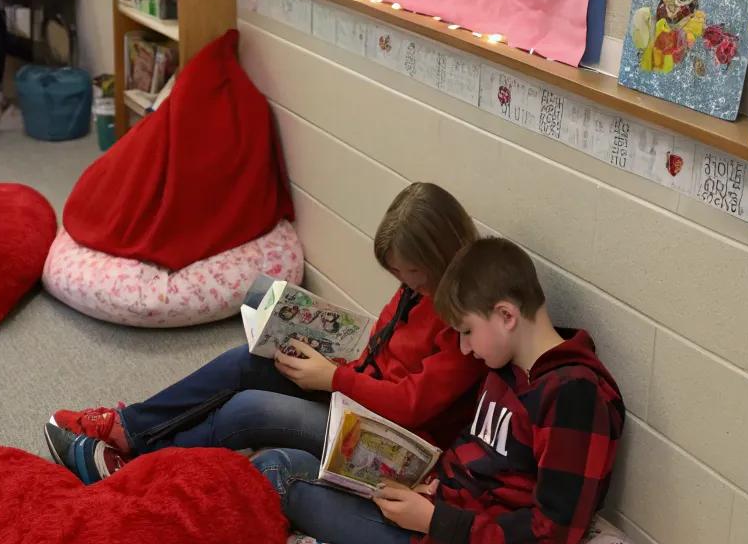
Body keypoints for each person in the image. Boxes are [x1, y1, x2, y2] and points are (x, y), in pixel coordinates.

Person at [44, 182, 485, 483]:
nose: (406, 285)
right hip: (360, 397)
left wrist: (332, 378)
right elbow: (379, 354)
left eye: (412, 275)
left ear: (441, 257)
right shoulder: (419, 291)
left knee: (246, 410)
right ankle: (129, 427)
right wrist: (323, 354)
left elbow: (411, 406)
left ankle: (135, 466)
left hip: (392, 444)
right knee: (248, 360)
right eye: (400, 276)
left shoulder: (464, 322)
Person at [250, 236, 625, 544]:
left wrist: (435, 520)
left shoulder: (575, 396)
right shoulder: (506, 365)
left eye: (466, 331)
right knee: (284, 457)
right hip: (438, 506)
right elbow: (476, 449)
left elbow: (552, 534)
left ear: (507, 316)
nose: (463, 349)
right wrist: (430, 485)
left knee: (276, 471)